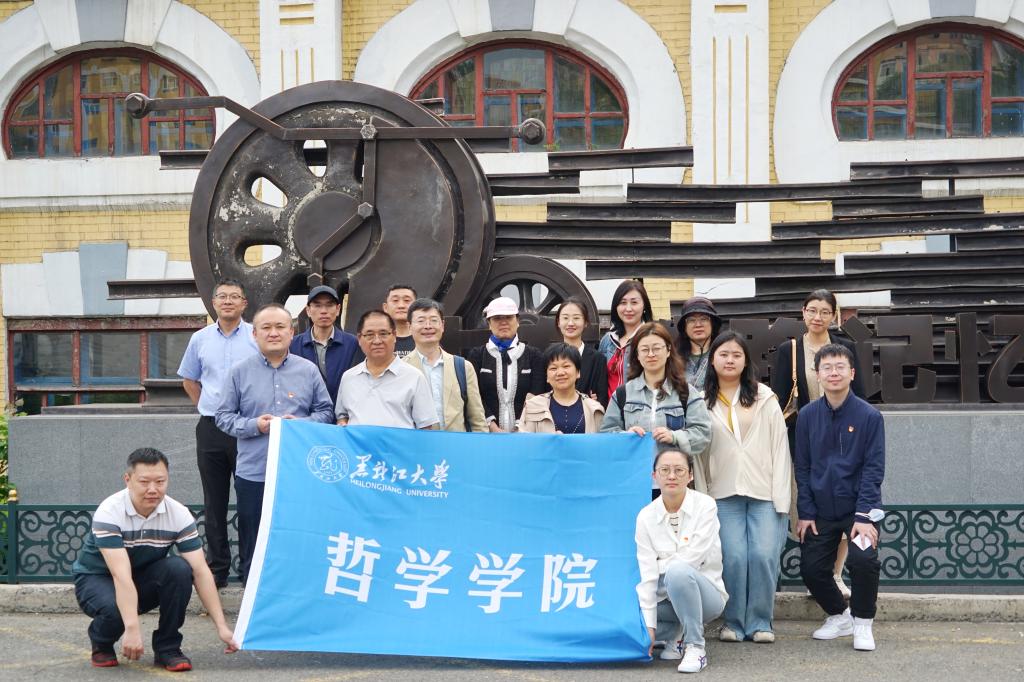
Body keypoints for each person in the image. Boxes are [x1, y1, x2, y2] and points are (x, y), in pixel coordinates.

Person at [72, 448, 237, 671]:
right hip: (97, 577)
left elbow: (200, 571)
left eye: (160, 481)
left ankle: (168, 648)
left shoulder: (178, 514)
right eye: (144, 482)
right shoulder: (110, 512)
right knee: (115, 609)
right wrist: (132, 628)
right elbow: (120, 574)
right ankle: (101, 642)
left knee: (179, 569)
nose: (153, 489)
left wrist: (222, 627)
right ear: (128, 480)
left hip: (140, 577)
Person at [215, 303, 335, 584]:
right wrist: (254, 425)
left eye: (280, 327)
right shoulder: (239, 372)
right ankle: (252, 597)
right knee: (253, 539)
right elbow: (223, 416)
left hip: (299, 472)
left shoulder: (308, 370)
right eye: (266, 328)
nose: (273, 333)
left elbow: (326, 412)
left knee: (298, 536)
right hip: (254, 472)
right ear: (254, 334)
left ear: (292, 332)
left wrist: (301, 425)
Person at [695, 331, 790, 644]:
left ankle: (761, 622)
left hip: (764, 493)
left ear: (746, 361)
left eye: (737, 355)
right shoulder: (701, 401)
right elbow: (698, 455)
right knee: (733, 558)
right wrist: (704, 498)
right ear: (712, 360)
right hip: (722, 494)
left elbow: (780, 448)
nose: (730, 360)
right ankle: (734, 622)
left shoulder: (765, 398)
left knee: (763, 556)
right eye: (723, 354)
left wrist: (781, 497)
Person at [771, 289, 866, 598]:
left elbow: (860, 393)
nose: (817, 317)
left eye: (825, 312)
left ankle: (836, 574)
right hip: (804, 439)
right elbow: (778, 399)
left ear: (833, 316)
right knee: (807, 504)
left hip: (842, 439)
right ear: (803, 312)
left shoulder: (845, 348)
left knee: (844, 502)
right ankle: (818, 572)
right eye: (812, 310)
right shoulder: (790, 350)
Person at [796, 343, 884, 652]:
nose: (834, 373)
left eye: (840, 367)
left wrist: (864, 516)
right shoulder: (807, 416)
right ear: (817, 375)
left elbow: (874, 469)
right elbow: (802, 467)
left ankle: (863, 622)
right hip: (821, 510)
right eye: (827, 368)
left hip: (858, 509)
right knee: (811, 568)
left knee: (864, 561)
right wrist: (806, 511)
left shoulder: (869, 416)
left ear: (852, 373)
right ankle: (839, 615)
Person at [176, 278, 259, 588]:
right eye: (222, 296)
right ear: (213, 303)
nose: (228, 301)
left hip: (247, 427)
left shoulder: (255, 336)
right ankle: (218, 568)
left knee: (250, 497)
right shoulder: (200, 339)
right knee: (214, 500)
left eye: (234, 296)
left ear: (244, 303)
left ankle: (251, 567)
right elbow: (189, 380)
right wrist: (209, 407)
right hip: (211, 427)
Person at [635, 449, 727, 674]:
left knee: (678, 572)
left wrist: (661, 566)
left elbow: (692, 560)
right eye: (664, 470)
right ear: (654, 476)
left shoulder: (706, 506)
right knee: (634, 615)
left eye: (679, 470)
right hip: (665, 598)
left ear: (690, 475)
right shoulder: (645, 516)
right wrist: (649, 629)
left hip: (707, 597)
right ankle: (675, 635)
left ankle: (695, 646)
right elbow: (647, 576)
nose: (671, 476)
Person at [600, 322, 711, 471]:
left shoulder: (687, 393)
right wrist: (625, 436)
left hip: (674, 477)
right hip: (634, 475)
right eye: (645, 349)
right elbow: (606, 434)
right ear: (637, 355)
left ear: (668, 350)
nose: (651, 354)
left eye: (657, 348)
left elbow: (703, 433)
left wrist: (675, 437)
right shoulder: (623, 394)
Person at [336, 309, 439, 429]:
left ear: (394, 336)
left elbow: (425, 427)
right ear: (359, 338)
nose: (377, 341)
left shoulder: (414, 377)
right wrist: (342, 423)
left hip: (399, 442)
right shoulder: (348, 377)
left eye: (383, 334)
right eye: (369, 335)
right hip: (358, 442)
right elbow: (342, 417)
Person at [404, 297, 487, 432]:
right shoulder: (402, 369)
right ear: (409, 327)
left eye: (433, 320)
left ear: (442, 325)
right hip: (418, 443)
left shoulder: (463, 367)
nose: (428, 326)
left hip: (455, 443)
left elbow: (477, 420)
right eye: (421, 321)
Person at [465, 296, 546, 433]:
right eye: (497, 318)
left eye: (509, 317)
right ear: (489, 323)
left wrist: (520, 427)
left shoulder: (534, 355)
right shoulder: (477, 355)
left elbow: (537, 393)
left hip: (526, 433)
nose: (503, 322)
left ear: (518, 321)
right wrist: (492, 426)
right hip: (486, 433)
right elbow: (473, 396)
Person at [289, 285, 363, 407]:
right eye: (317, 305)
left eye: (329, 305)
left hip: (343, 414)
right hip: (306, 414)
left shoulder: (353, 343)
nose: (324, 311)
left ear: (338, 309)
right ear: (308, 310)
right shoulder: (293, 345)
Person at [517, 343, 605, 433]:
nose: (560, 373)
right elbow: (523, 439)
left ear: (578, 372)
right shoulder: (532, 406)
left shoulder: (594, 409)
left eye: (566, 366)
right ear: (547, 376)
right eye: (553, 368)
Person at [598, 280, 654, 400]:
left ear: (644, 305)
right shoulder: (607, 340)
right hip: (610, 408)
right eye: (623, 303)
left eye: (634, 302)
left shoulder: (652, 338)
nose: (628, 309)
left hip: (640, 408)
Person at [556, 297, 608, 407]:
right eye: (565, 318)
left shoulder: (598, 360)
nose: (570, 323)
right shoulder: (550, 358)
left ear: (585, 322)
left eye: (576, 318)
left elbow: (600, 400)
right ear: (558, 322)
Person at [675, 297, 723, 392]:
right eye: (691, 320)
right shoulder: (674, 358)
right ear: (684, 327)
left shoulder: (723, 354)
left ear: (713, 324)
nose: (698, 325)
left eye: (704, 319)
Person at [383, 283, 417, 358]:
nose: (401, 305)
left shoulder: (425, 338)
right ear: (385, 307)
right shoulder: (377, 340)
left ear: (416, 307)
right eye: (395, 300)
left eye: (407, 300)